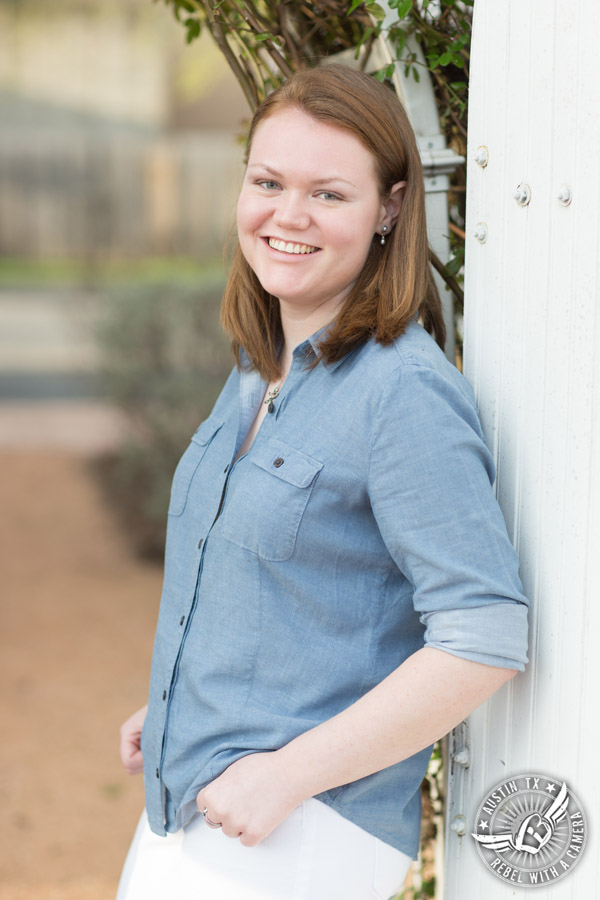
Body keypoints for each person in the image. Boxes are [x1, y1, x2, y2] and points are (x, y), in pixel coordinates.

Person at [117, 64, 528, 900]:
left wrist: (286, 775)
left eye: (328, 194)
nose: (287, 215)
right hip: (194, 807)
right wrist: (185, 704)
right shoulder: (259, 371)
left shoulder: (400, 391)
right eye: (268, 182)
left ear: (390, 208)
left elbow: (483, 636)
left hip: (297, 832)